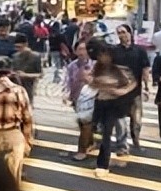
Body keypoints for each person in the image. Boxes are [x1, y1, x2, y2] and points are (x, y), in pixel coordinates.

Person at [86, 40, 136, 178]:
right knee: (97, 130)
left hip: (113, 104)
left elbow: (131, 83)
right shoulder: (98, 67)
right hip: (100, 102)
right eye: (100, 55)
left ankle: (103, 164)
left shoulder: (118, 68)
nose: (102, 58)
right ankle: (96, 151)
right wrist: (97, 83)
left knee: (107, 133)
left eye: (104, 54)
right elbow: (90, 80)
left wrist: (120, 91)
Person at [111, 24, 149, 154]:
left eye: (123, 32)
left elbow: (145, 69)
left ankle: (136, 140)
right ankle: (121, 144)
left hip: (135, 91)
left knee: (136, 119)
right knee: (119, 118)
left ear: (130, 33)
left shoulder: (139, 51)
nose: (121, 35)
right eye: (119, 32)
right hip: (119, 91)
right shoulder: (114, 51)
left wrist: (146, 87)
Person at [63, 40, 94, 161]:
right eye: (79, 49)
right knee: (83, 125)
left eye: (84, 49)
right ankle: (90, 143)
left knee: (86, 124)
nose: (82, 52)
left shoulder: (94, 65)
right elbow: (68, 81)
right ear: (75, 51)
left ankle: (82, 151)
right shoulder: (72, 65)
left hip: (90, 98)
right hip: (77, 98)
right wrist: (67, 95)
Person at [9, 34, 41, 100]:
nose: (18, 49)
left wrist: (26, 75)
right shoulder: (15, 56)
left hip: (28, 87)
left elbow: (40, 74)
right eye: (16, 47)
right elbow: (12, 70)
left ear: (26, 45)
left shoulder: (35, 56)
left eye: (20, 47)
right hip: (16, 87)